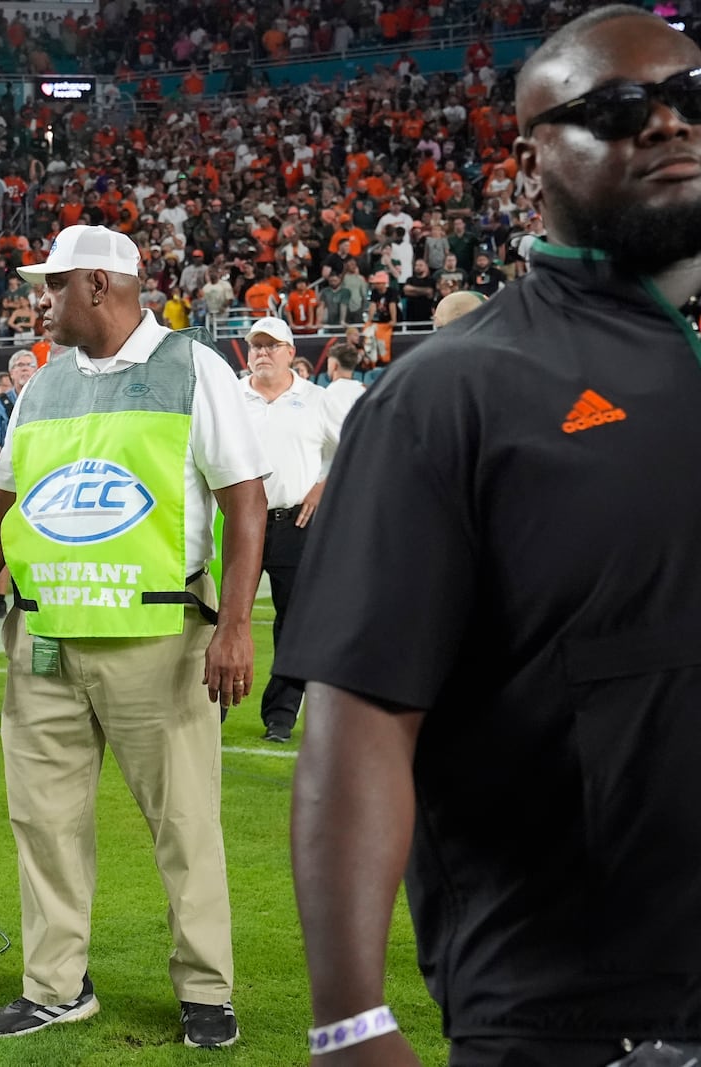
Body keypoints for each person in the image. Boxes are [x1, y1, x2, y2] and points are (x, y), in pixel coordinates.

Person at [280, 9, 701, 1066]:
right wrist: (348, 1019)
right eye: (613, 110)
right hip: (580, 1009)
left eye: (689, 98)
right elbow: (361, 708)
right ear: (529, 157)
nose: (664, 126)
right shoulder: (452, 390)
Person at [0, 225, 269, 1048]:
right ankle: (56, 985)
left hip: (157, 636)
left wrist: (235, 625)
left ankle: (206, 989)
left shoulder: (193, 366)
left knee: (184, 822)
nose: (39, 300)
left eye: (52, 285)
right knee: (43, 821)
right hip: (44, 639)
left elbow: (244, 500)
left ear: (97, 284)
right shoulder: (42, 385)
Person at [239, 317, 343, 743]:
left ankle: (280, 715)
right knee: (225, 617)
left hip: (294, 522)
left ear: (289, 352)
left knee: (294, 622)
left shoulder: (316, 399)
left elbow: (350, 448)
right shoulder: (230, 395)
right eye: (256, 345)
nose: (262, 352)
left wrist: (320, 487)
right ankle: (215, 706)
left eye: (271, 345)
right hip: (239, 522)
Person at [0, 349, 37, 619]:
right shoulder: (0, 403)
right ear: (11, 373)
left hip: (39, 481)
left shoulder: (44, 398)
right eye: (20, 365)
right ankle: (1, 597)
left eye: (30, 364)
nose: (25, 368)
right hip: (12, 481)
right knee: (3, 539)